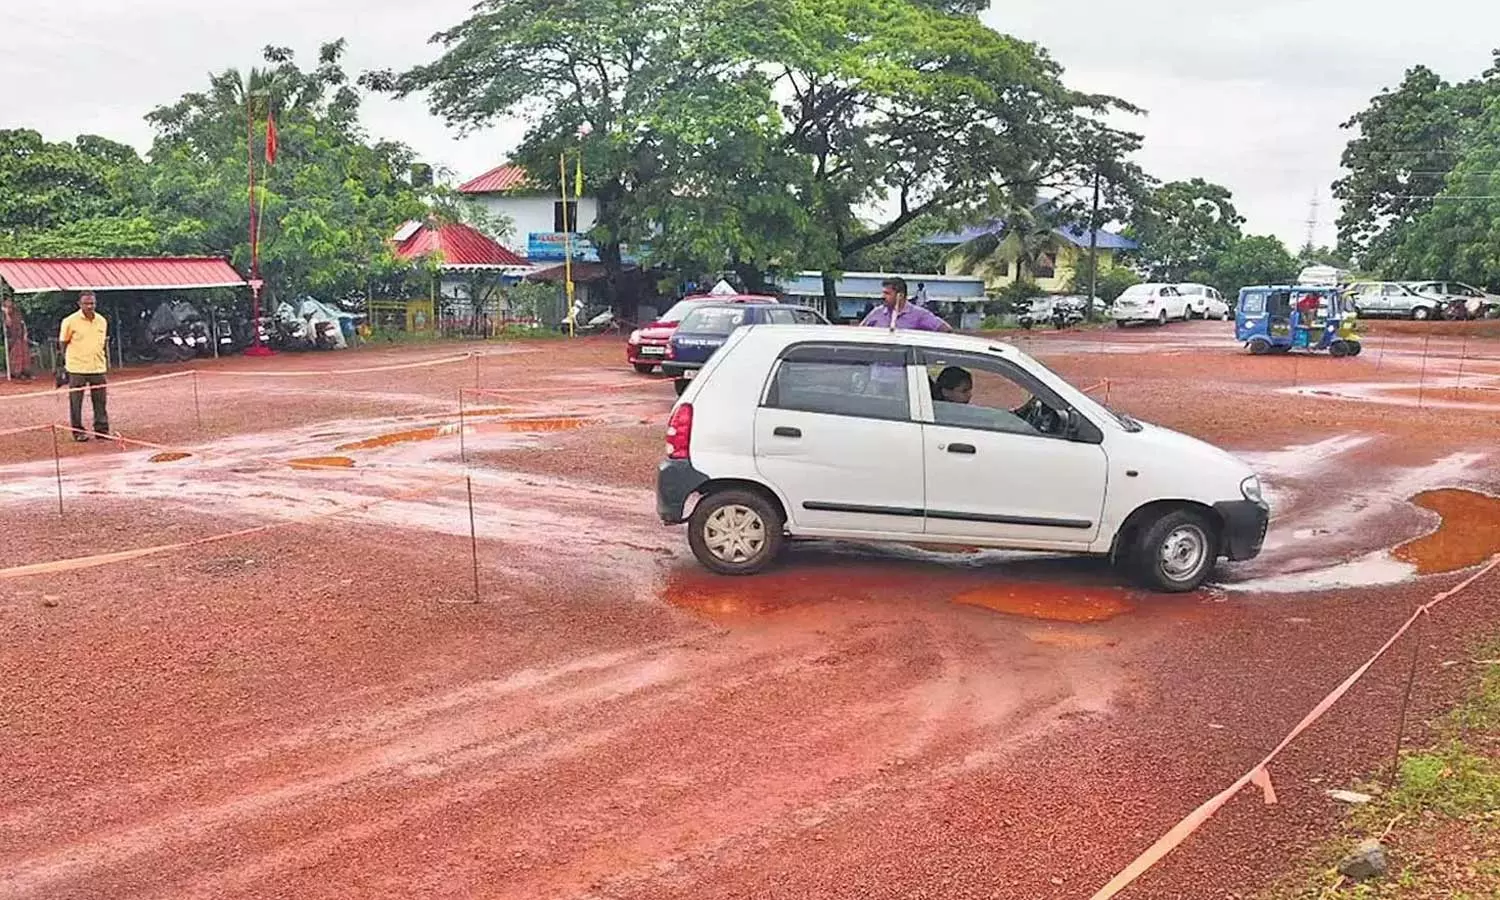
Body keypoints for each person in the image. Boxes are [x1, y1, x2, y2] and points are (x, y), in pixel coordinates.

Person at [58, 291, 110, 441]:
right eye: (86, 303)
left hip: (97, 367)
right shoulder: (70, 321)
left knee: (100, 400)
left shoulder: (101, 320)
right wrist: (66, 362)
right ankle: (78, 431)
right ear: (79, 304)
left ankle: (101, 430)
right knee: (76, 402)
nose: (89, 306)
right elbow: (63, 343)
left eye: (92, 303)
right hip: (77, 368)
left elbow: (102, 343)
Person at [860, 277, 952, 332]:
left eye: (887, 293)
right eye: (883, 293)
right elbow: (859, 332)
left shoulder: (919, 315)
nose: (883, 297)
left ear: (900, 295)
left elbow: (945, 329)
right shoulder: (877, 313)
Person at [3, 296, 33, 380]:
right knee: (16, 354)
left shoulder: (17, 312)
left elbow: (22, 323)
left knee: (25, 353)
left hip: (21, 336)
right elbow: (8, 324)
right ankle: (17, 373)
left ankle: (26, 372)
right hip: (13, 338)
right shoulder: (5, 314)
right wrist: (6, 313)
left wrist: (25, 333)